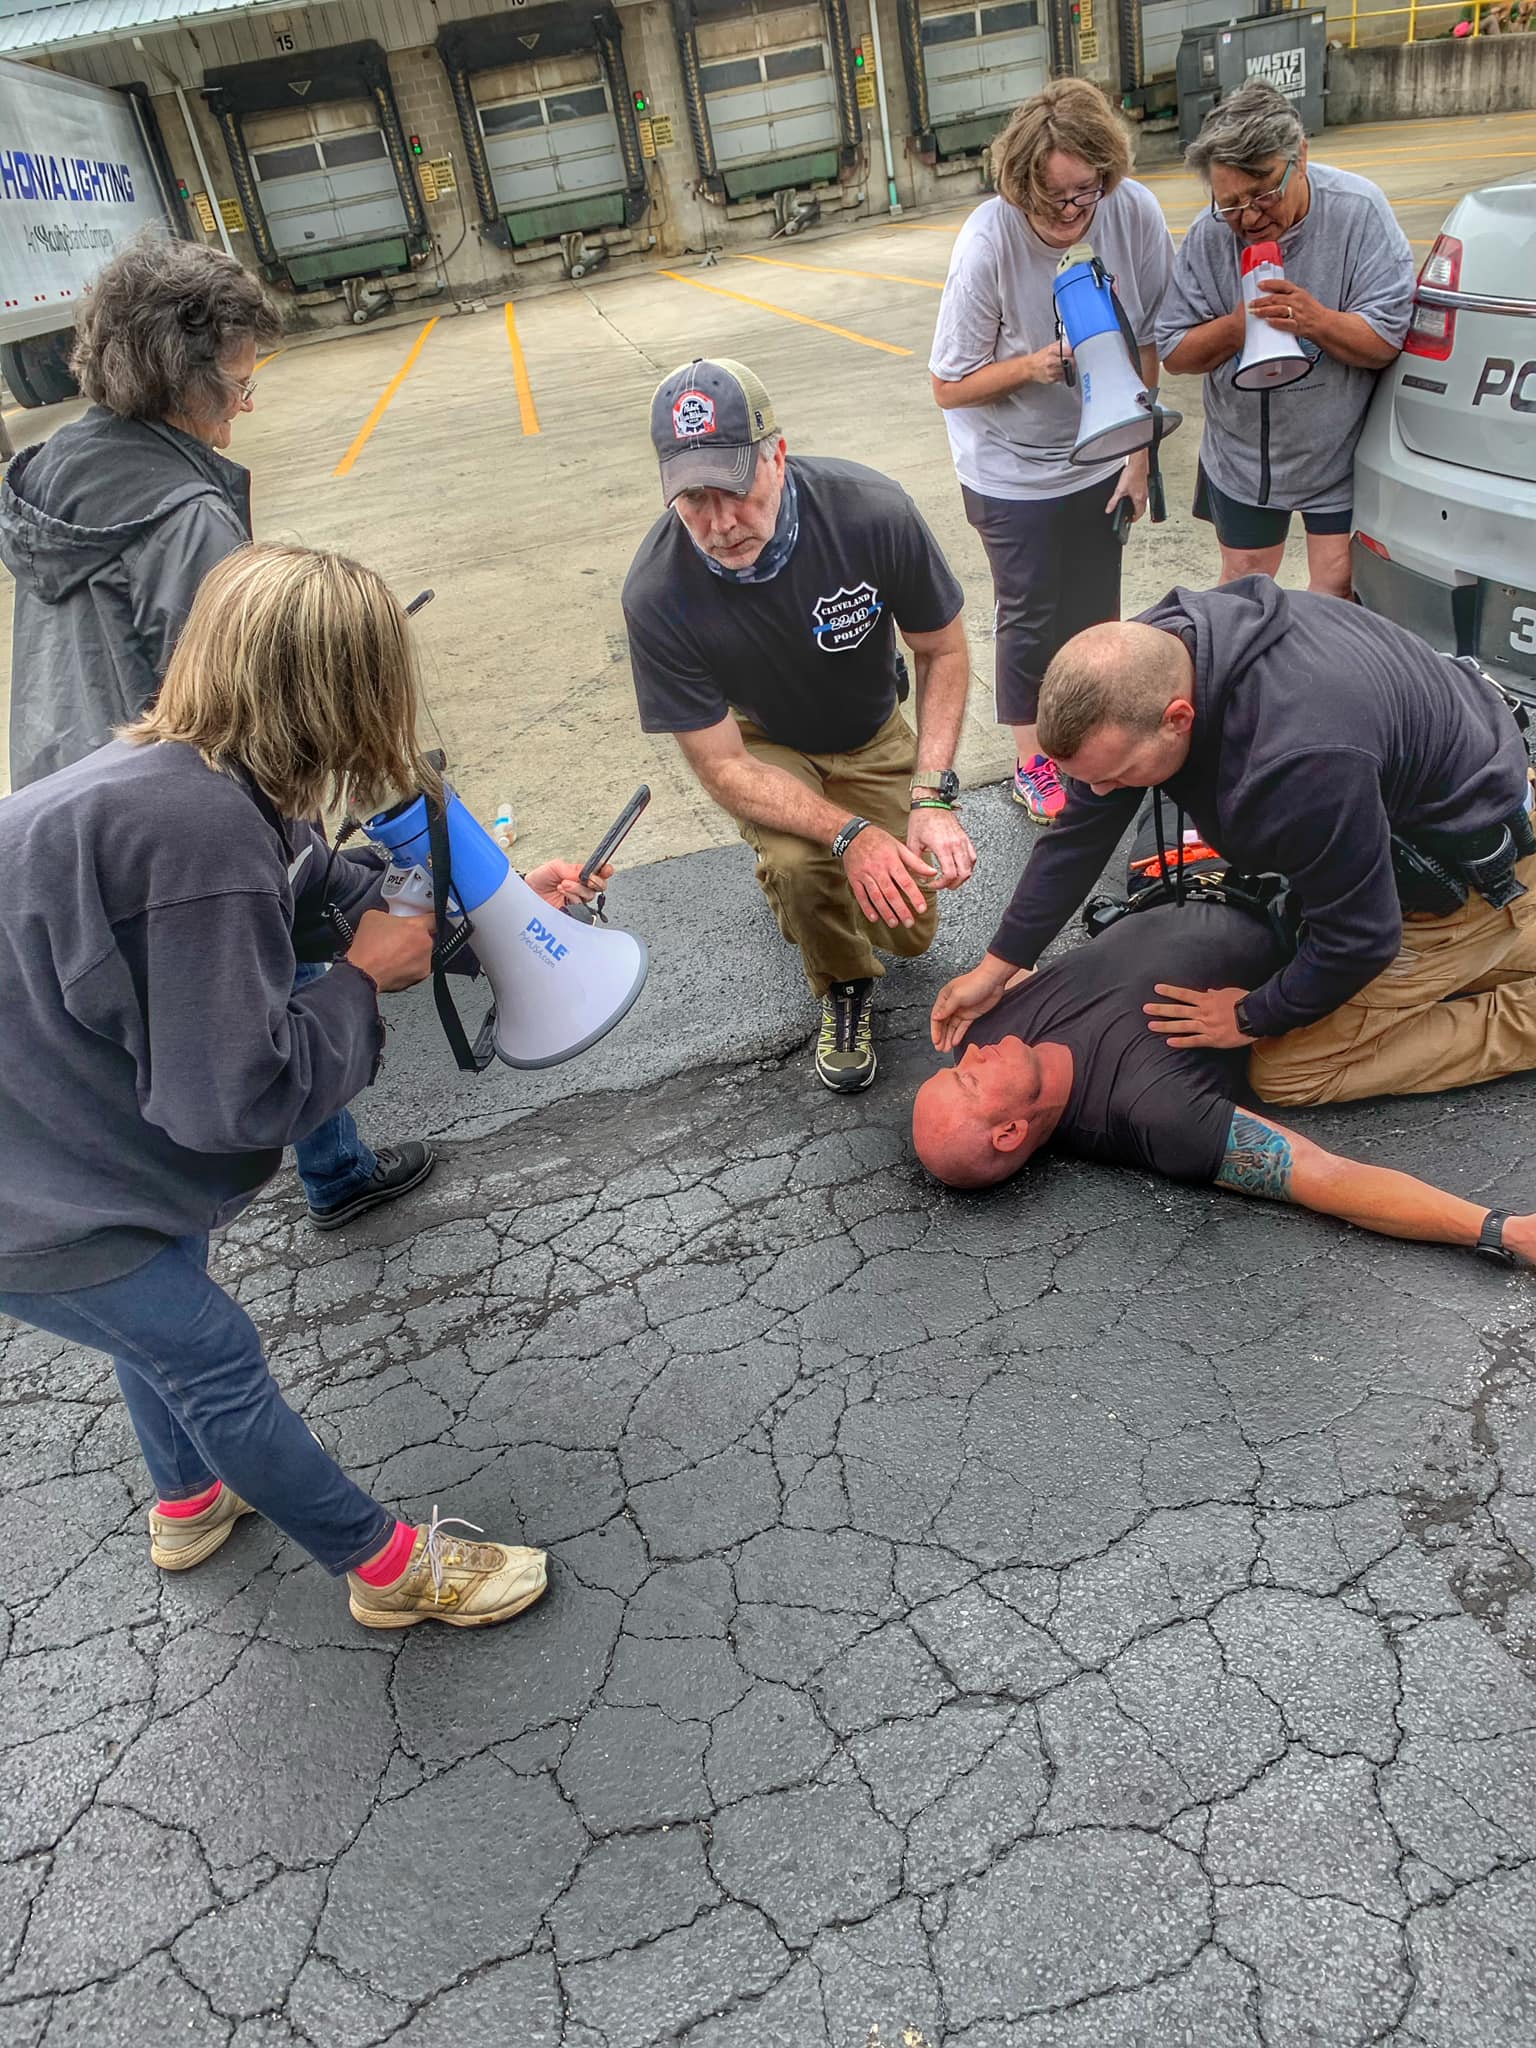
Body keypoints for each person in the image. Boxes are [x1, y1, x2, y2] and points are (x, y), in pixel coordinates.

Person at [0, 543, 605, 1627]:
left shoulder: (207, 778)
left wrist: (506, 908)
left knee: (161, 1290)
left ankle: (189, 1500)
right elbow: (237, 1096)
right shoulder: (199, 838)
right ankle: (388, 1570)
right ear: (339, 694)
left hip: (49, 1120)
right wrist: (361, 987)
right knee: (210, 1350)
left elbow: (322, 888)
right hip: (25, 1183)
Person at [0, 231, 430, 1232]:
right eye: (239, 384)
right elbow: (251, 703)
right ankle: (326, 1169)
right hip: (166, 797)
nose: (246, 403)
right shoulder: (186, 510)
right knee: (286, 947)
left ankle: (148, 1201)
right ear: (182, 380)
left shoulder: (60, 474)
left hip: (65, 775)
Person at [930, 577, 1536, 1107]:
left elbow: (1363, 937)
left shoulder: (1296, 763)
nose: (1101, 789)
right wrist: (998, 964)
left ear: (1177, 719)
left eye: (1115, 775)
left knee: (1288, 1070)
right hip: (1432, 776)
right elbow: (1083, 831)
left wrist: (1250, 1015)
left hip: (1455, 877)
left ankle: (1511, 981)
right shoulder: (1167, 649)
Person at [623, 356, 976, 1094]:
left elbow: (942, 650)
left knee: (909, 931)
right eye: (693, 500)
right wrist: (849, 835)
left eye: (736, 491)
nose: (720, 525)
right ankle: (841, 987)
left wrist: (933, 796)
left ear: (776, 455)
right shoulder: (657, 593)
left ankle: (828, 887)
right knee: (801, 863)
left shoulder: (870, 512)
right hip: (764, 743)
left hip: (872, 729)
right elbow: (721, 767)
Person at [914, 893, 1536, 1271]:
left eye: (956, 1068)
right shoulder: (1156, 1114)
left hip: (1201, 860)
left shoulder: (989, 1031)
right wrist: (1495, 1227)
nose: (972, 1058)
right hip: (1331, 933)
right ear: (1011, 1132)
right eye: (969, 1083)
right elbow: (1321, 1175)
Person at [929, 79, 1173, 824]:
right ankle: (1034, 763)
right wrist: (1036, 365)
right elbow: (947, 384)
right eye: (1050, 199)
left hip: (1102, 451)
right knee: (1032, 618)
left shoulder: (1132, 213)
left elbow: (1154, 336)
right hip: (1011, 466)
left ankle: (1101, 745)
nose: (1069, 213)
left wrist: (1138, 457)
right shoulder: (988, 243)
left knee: (1098, 616)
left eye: (1084, 194)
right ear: (1019, 184)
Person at [1158, 82, 1414, 599]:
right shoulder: (1211, 235)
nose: (1249, 218)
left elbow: (1387, 337)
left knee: (1337, 586)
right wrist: (1237, 326)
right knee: (1243, 581)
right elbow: (1174, 351)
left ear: (1300, 155)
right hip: (1242, 457)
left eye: (1264, 193)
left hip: (1337, 453)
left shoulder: (1357, 211)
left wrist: (1316, 321)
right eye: (1229, 203)